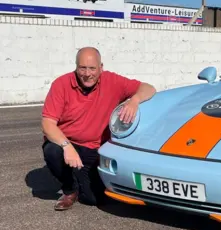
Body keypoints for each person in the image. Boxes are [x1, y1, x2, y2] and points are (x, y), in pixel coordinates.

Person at [41, 47, 156, 211]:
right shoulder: (61, 84)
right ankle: (69, 189)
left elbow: (149, 88)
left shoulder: (113, 81)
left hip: (94, 148)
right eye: (82, 68)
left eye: (92, 68)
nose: (87, 73)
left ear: (101, 67)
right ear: (76, 67)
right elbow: (47, 123)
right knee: (52, 151)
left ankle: (78, 175)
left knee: (93, 199)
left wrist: (134, 100)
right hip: (67, 144)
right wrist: (67, 146)